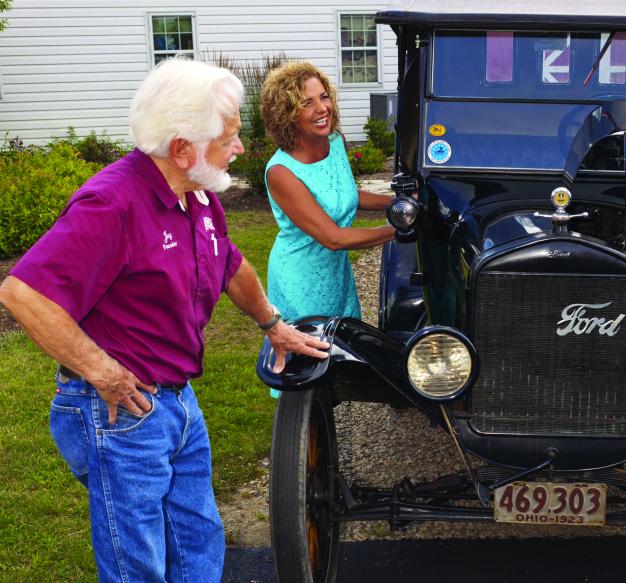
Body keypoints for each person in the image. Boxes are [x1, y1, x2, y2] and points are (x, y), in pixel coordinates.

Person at [0, 58, 329, 583]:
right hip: (120, 411)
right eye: (228, 138)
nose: (239, 148)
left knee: (199, 539)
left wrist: (273, 323)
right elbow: (22, 293)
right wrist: (103, 372)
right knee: (140, 564)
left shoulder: (195, 193)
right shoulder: (111, 203)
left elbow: (229, 262)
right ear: (182, 147)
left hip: (177, 402)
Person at [259, 62, 395, 396]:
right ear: (287, 113)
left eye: (324, 97)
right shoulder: (281, 171)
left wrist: (395, 203)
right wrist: (398, 228)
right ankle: (300, 440)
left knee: (335, 361)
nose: (322, 108)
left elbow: (345, 195)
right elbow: (333, 237)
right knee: (303, 372)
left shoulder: (333, 141)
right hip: (300, 279)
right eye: (307, 103)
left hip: (335, 275)